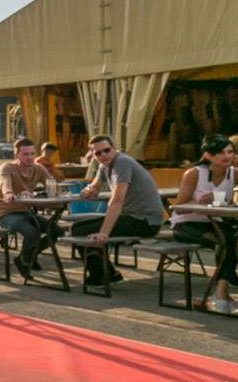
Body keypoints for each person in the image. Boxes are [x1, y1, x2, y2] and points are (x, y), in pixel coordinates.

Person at [73, 135, 164, 285]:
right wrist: (89, 190)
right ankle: (108, 274)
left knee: (80, 231)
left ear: (114, 149)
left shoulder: (122, 162)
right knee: (78, 228)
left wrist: (104, 232)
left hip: (146, 221)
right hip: (135, 218)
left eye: (106, 150)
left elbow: (117, 200)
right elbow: (95, 187)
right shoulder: (105, 165)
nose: (103, 155)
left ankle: (104, 275)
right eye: (98, 153)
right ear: (93, 156)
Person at [168, 134, 235, 313]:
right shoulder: (194, 174)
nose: (227, 156)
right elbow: (178, 209)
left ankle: (221, 293)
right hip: (187, 224)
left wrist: (219, 201)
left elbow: (229, 202)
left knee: (233, 241)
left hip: (215, 222)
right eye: (221, 153)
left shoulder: (234, 173)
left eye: (230, 152)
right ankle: (221, 294)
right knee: (225, 243)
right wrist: (199, 202)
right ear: (208, 156)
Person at [0, 138, 55, 281]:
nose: (30, 157)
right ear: (16, 155)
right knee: (33, 233)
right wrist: (9, 193)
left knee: (57, 230)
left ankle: (27, 257)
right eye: (25, 154)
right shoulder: (7, 167)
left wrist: (52, 189)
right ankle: (26, 260)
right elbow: (5, 183)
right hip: (7, 213)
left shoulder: (39, 168)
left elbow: (53, 186)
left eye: (32, 154)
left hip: (26, 212)